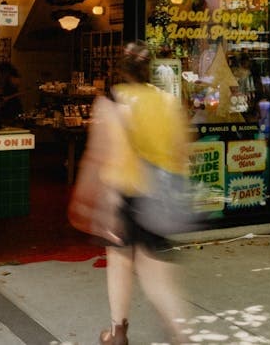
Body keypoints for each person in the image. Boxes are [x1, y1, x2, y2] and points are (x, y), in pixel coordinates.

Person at [98, 42, 191, 345]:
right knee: (154, 271)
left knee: (120, 261)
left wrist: (110, 201)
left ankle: (118, 331)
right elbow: (181, 150)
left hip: (128, 191)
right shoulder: (168, 101)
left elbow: (112, 154)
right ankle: (177, 333)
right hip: (161, 194)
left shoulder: (115, 100)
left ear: (121, 69)